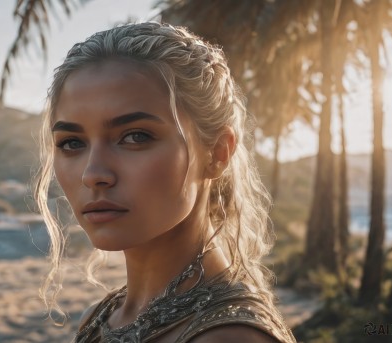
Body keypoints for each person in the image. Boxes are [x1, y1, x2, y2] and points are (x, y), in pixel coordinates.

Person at [34, 22, 297, 342]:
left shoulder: (228, 337)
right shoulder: (101, 318)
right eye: (72, 143)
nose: (93, 174)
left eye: (135, 136)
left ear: (217, 153)